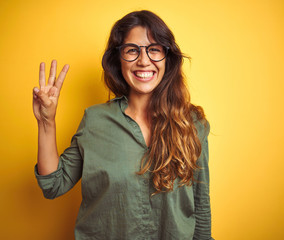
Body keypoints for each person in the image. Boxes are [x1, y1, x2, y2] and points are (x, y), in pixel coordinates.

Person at [32, 10, 214, 240]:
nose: (144, 60)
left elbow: (200, 204)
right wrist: (46, 122)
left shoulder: (193, 124)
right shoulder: (95, 120)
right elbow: (53, 185)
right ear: (118, 60)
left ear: (168, 57)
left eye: (154, 49)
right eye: (132, 50)